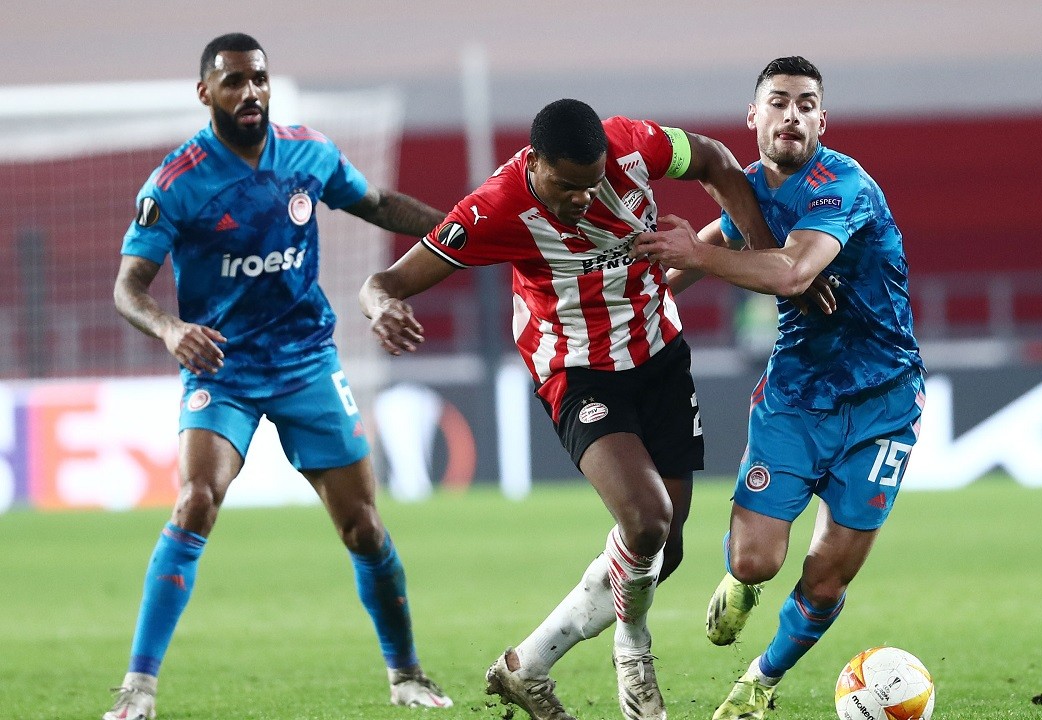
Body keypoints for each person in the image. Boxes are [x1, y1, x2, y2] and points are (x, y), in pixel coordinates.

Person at [360, 98, 777, 720]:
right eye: (567, 186)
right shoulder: (495, 208)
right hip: (577, 372)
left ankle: (526, 667)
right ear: (535, 163)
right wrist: (382, 307)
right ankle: (633, 650)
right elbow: (385, 282)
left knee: (664, 551)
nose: (583, 198)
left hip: (659, 354)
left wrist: (767, 257)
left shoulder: (633, 144)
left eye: (592, 182)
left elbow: (716, 159)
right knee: (646, 522)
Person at [105, 32, 452, 720]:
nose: (250, 93)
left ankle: (407, 675)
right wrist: (171, 330)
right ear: (205, 93)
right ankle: (137, 689)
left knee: (363, 526)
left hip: (306, 361)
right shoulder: (175, 183)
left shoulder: (308, 154)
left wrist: (463, 231)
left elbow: (379, 204)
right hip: (224, 368)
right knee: (195, 501)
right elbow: (127, 288)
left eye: (258, 79)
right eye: (234, 81)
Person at [632, 56, 926, 720]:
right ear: (754, 115)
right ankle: (742, 583)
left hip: (883, 404)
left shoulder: (842, 184)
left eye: (806, 104)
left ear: (822, 120)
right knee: (755, 561)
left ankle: (760, 682)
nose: (792, 114)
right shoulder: (749, 192)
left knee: (826, 578)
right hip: (795, 397)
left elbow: (793, 272)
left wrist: (698, 254)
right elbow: (705, 249)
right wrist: (644, 294)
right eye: (779, 101)